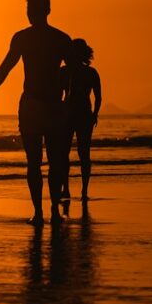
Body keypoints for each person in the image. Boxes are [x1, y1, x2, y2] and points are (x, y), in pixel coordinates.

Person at [0, 0, 72, 225]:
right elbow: (7, 65)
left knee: (45, 161)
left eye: (32, 9)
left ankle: (47, 211)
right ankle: (44, 211)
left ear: (43, 11)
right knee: (43, 161)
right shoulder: (48, 38)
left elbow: (73, 72)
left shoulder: (52, 39)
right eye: (29, 8)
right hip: (40, 104)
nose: (30, 13)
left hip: (44, 104)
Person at [61, 39, 102, 200]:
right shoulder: (67, 72)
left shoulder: (88, 72)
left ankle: (81, 190)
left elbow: (98, 97)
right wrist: (94, 114)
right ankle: (72, 189)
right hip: (76, 114)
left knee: (79, 153)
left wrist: (94, 114)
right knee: (73, 153)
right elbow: (98, 97)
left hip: (78, 114)